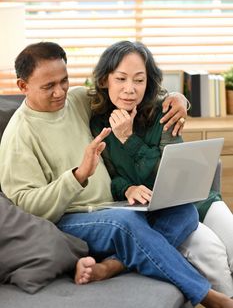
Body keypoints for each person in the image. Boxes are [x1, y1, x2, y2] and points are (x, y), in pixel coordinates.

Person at [0, 42, 232, 308]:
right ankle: (209, 296)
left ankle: (112, 266)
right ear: (22, 86)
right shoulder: (19, 135)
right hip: (70, 217)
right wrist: (77, 176)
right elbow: (27, 207)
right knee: (126, 224)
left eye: (64, 81)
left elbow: (123, 90)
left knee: (184, 213)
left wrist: (179, 98)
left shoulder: (74, 100)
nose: (59, 92)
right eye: (48, 86)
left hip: (111, 206)